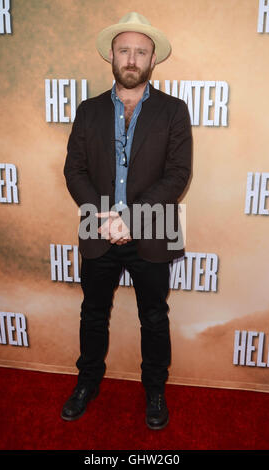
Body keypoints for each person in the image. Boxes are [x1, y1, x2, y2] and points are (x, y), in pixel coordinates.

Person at [61, 12, 192, 430]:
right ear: (112, 57)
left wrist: (131, 218)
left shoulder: (175, 111)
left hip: (152, 227)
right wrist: (102, 216)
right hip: (96, 226)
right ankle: (87, 383)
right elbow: (74, 170)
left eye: (141, 51)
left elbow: (177, 173)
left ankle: (155, 389)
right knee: (92, 313)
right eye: (124, 50)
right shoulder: (88, 110)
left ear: (152, 59)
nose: (132, 59)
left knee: (154, 315)